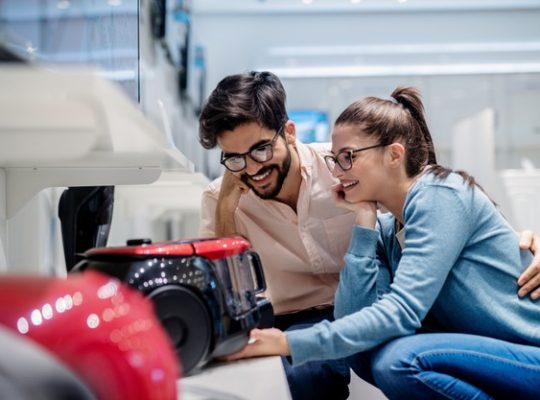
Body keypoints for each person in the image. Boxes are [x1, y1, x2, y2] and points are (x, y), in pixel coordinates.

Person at [198, 72, 540, 399]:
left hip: (528, 348)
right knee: (370, 356)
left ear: (394, 154)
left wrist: (288, 344)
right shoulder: (389, 229)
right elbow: (351, 319)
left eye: (347, 158)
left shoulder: (439, 193)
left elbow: (404, 309)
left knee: (400, 360)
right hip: (492, 350)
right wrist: (364, 220)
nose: (338, 171)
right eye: (336, 159)